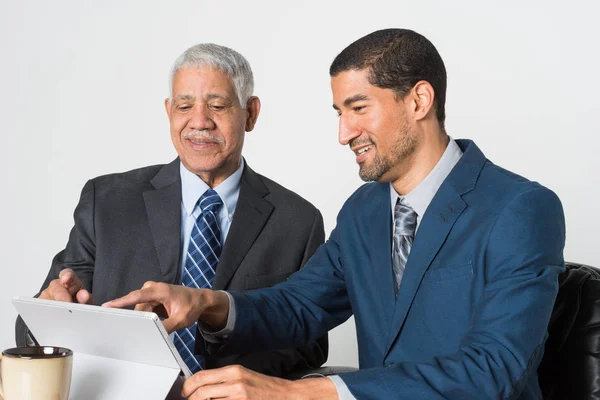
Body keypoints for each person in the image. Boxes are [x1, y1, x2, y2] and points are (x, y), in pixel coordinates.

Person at [107, 29, 566, 399]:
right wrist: (208, 303)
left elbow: (493, 369)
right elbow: (300, 304)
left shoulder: (520, 208)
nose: (344, 133)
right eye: (338, 113)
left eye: (358, 108)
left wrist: (300, 393)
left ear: (419, 101)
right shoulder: (364, 210)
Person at [15, 43, 328, 377]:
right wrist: (52, 314)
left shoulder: (298, 220)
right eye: (184, 106)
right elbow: (32, 326)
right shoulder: (106, 201)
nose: (199, 121)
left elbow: (310, 345)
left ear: (250, 113)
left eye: (217, 105)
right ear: (168, 111)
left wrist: (224, 368)